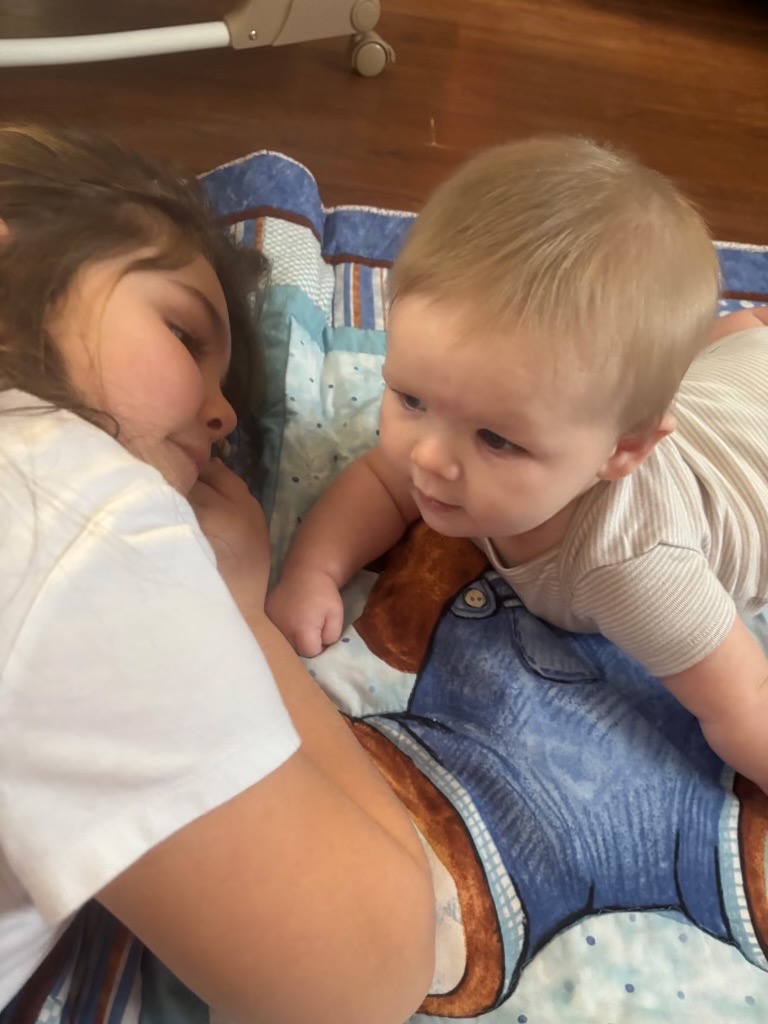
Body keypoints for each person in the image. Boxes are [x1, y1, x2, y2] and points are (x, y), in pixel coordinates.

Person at [0, 124, 435, 1024]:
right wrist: (241, 611)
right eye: (182, 332)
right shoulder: (72, 508)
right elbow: (362, 981)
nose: (224, 415)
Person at [266, 136, 768, 794]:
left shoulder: (637, 568)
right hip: (729, 382)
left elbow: (744, 699)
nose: (427, 456)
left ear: (622, 452)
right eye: (411, 398)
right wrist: (313, 570)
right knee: (729, 344)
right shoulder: (461, 442)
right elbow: (380, 484)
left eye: (497, 440)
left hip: (749, 432)